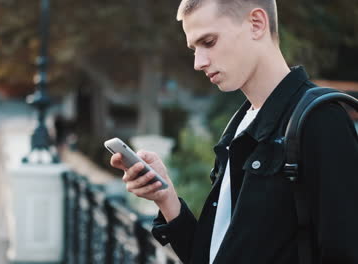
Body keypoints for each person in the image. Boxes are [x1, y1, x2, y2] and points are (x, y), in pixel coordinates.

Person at [109, 0, 358, 263]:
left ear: (257, 24)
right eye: (194, 48)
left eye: (209, 42)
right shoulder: (238, 126)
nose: (198, 62)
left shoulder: (320, 118)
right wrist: (166, 198)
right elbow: (213, 254)